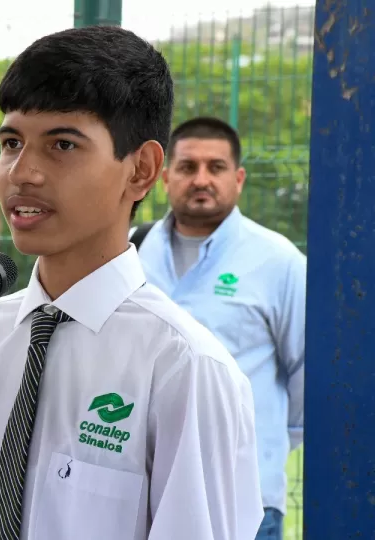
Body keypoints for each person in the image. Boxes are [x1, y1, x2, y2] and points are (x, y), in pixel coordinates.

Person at [0, 26, 263, 540]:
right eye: (11, 142)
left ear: (141, 169)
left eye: (62, 144)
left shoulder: (183, 368)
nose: (22, 173)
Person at [133, 116, 306, 540]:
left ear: (239, 178)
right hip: (137, 493)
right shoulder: (128, 252)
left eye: (216, 167)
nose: (201, 179)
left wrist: (250, 442)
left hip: (244, 500)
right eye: (188, 167)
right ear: (165, 176)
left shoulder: (278, 262)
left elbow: (307, 382)